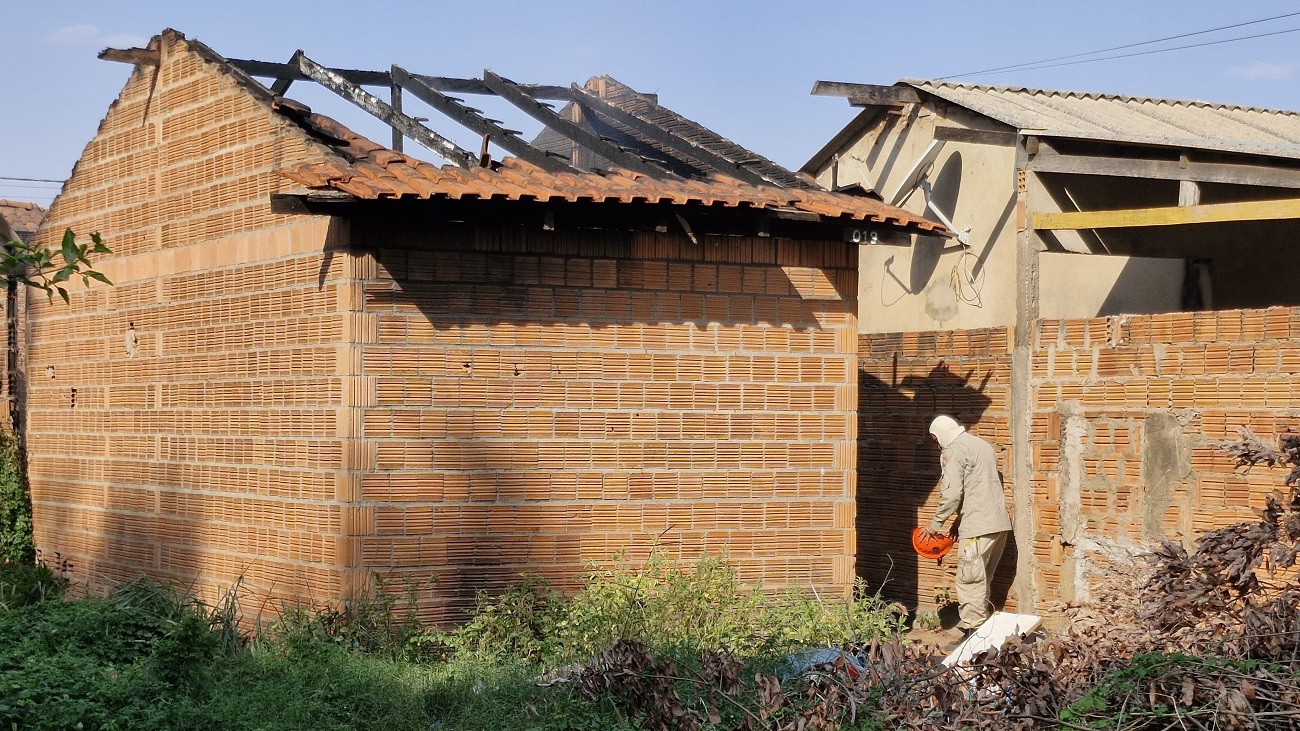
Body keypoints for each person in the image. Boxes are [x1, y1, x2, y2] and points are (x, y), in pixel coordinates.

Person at [919, 415, 1013, 643]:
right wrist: (959, 521)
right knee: (982, 580)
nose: (937, 445)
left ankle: (974, 634)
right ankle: (985, 631)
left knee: (969, 580)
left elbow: (951, 494)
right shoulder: (981, 445)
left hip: (978, 527)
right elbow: (977, 487)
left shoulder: (953, 451)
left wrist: (935, 525)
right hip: (997, 524)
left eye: (934, 440)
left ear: (937, 435)